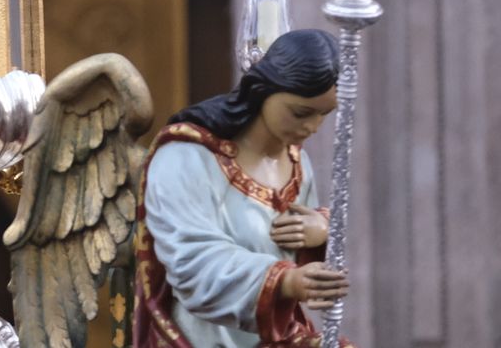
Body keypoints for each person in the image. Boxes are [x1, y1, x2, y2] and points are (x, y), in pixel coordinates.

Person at [135, 29, 352, 347]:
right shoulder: (186, 156)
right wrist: (286, 281)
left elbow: (299, 259)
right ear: (263, 90)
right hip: (201, 338)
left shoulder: (297, 162)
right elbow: (192, 264)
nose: (313, 127)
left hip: (274, 336)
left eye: (324, 114)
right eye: (301, 113)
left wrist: (321, 230)